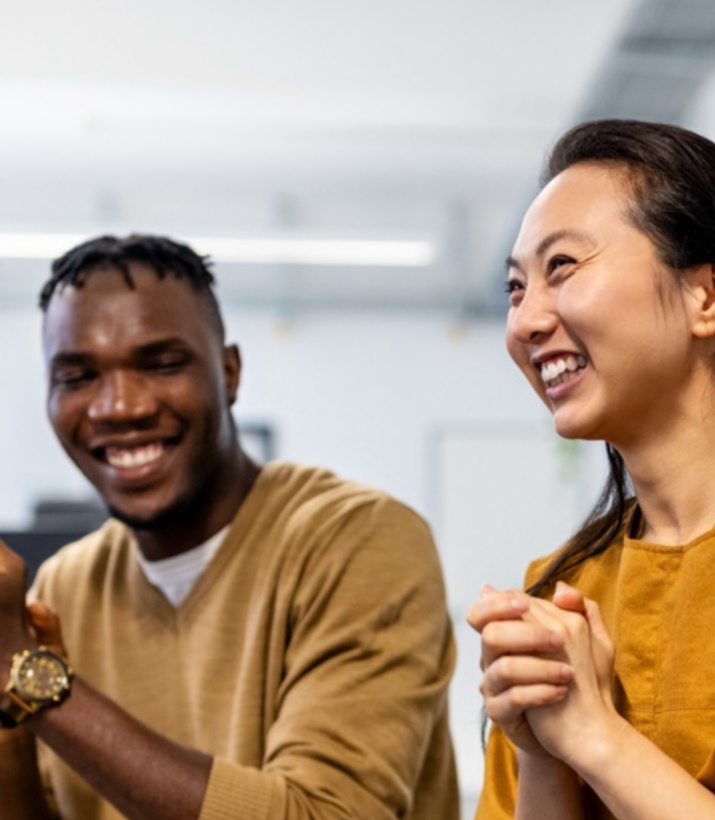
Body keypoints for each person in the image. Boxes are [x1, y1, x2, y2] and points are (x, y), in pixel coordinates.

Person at [0, 234, 460, 819]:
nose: (119, 406)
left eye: (161, 364)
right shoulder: (65, 588)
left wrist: (32, 681)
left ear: (230, 371)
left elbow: (323, 814)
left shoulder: (358, 541)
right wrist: (9, 713)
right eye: (77, 377)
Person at [467, 119, 715, 818]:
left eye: (561, 267)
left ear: (710, 294)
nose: (527, 321)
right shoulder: (561, 589)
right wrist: (542, 753)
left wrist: (596, 741)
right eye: (514, 290)